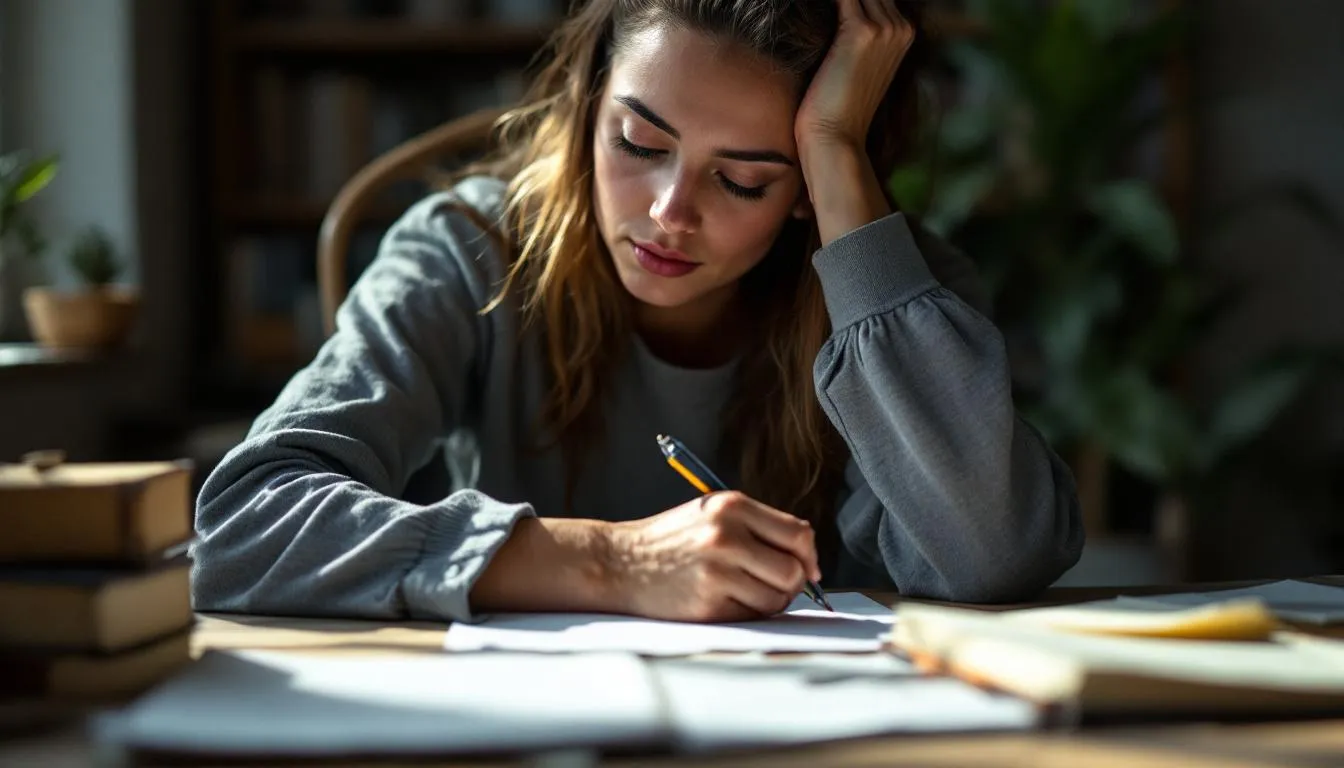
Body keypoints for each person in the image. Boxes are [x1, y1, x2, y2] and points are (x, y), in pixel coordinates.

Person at [192, 0, 1083, 624]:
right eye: (639, 142)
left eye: (744, 178)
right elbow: (244, 525)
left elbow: (994, 555)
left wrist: (839, 158)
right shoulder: (466, 253)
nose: (669, 213)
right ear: (587, 105)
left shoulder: (895, 288)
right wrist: (615, 563)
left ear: (811, 190)